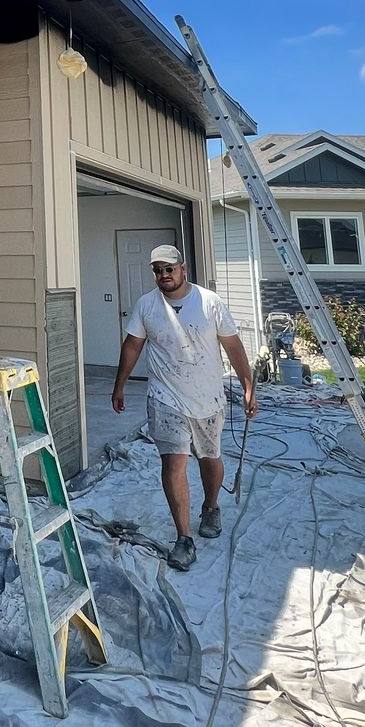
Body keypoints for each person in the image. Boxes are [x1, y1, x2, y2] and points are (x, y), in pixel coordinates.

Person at [111, 244, 257, 572]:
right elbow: (133, 344)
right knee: (174, 464)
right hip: (165, 398)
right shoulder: (147, 306)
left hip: (207, 398)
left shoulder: (209, 302)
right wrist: (119, 384)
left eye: (169, 269)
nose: (164, 275)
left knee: (209, 458)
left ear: (183, 268)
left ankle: (211, 506)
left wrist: (249, 387)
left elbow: (232, 345)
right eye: (158, 270)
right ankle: (184, 539)